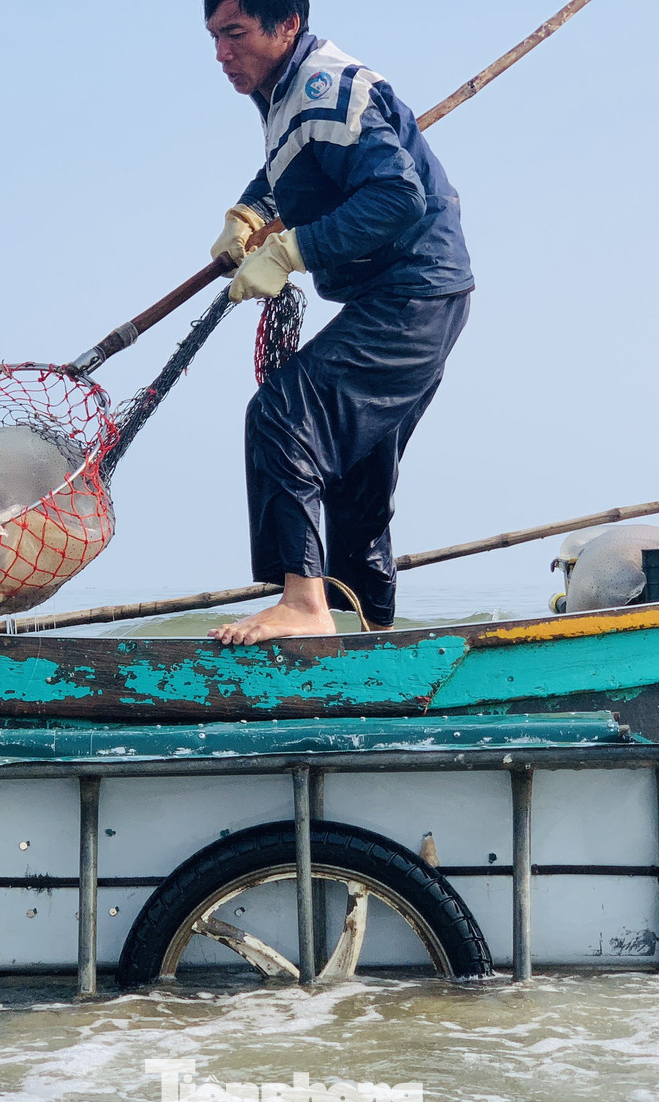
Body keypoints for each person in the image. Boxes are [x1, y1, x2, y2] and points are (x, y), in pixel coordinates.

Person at [203, 0, 473, 646]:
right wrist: (250, 211)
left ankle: (304, 605)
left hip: (413, 291)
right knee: (355, 472)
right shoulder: (286, 91)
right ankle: (370, 635)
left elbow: (397, 196)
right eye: (213, 38)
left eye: (235, 35)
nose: (221, 55)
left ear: (287, 25)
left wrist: (293, 251)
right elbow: (302, 165)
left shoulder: (327, 88)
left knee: (283, 414)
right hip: (417, 295)